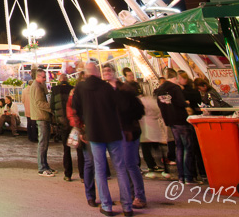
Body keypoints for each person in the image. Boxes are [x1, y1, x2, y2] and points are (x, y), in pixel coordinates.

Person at [71, 61, 134, 217]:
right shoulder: (107, 87)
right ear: (97, 73)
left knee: (99, 170)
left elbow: (76, 108)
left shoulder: (80, 88)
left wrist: (83, 124)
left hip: (94, 132)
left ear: (85, 73)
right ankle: (127, 206)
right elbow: (120, 106)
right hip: (112, 132)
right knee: (120, 168)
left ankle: (106, 205)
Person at [154, 68, 193, 184]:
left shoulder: (160, 90)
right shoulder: (175, 88)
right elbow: (180, 102)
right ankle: (188, 176)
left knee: (179, 147)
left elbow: (160, 105)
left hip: (170, 121)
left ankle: (181, 176)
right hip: (180, 119)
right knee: (188, 148)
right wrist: (187, 103)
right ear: (175, 77)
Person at [115, 77, 148, 210]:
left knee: (129, 164)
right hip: (124, 132)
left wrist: (127, 124)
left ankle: (139, 195)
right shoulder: (128, 96)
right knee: (126, 165)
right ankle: (132, 194)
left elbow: (138, 112)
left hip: (128, 132)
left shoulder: (125, 97)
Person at [140, 86, 170, 179]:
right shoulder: (152, 100)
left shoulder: (139, 101)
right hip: (154, 125)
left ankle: (151, 168)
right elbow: (159, 112)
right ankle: (164, 168)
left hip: (144, 127)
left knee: (146, 149)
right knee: (158, 148)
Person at [28, 68, 54, 176]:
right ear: (38, 77)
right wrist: (51, 107)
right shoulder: (37, 87)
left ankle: (45, 165)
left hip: (42, 115)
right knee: (43, 142)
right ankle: (42, 167)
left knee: (44, 142)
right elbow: (39, 103)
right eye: (43, 77)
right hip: (41, 116)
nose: (45, 79)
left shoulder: (39, 85)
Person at [50, 74, 74, 181]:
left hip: (62, 122)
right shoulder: (72, 89)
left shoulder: (55, 90)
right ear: (67, 80)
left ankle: (67, 174)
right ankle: (83, 175)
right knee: (79, 148)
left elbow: (52, 106)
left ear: (59, 80)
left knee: (66, 148)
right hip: (73, 121)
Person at [22, 79, 38, 143]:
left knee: (29, 123)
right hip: (33, 109)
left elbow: (22, 100)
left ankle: (29, 136)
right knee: (34, 124)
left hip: (27, 108)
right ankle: (34, 137)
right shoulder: (34, 90)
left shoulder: (24, 90)